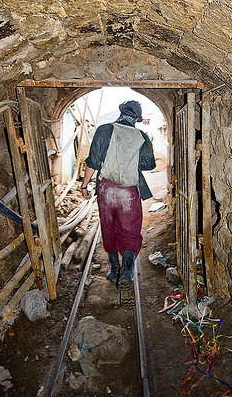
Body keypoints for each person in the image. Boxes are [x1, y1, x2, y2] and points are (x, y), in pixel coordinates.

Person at [81, 100, 156, 309]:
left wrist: (85, 185)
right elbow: (149, 164)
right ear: (137, 118)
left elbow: (93, 162)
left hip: (106, 190)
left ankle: (114, 270)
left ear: (121, 112)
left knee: (109, 229)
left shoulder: (104, 130)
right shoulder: (141, 137)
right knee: (130, 232)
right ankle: (127, 273)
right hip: (129, 193)